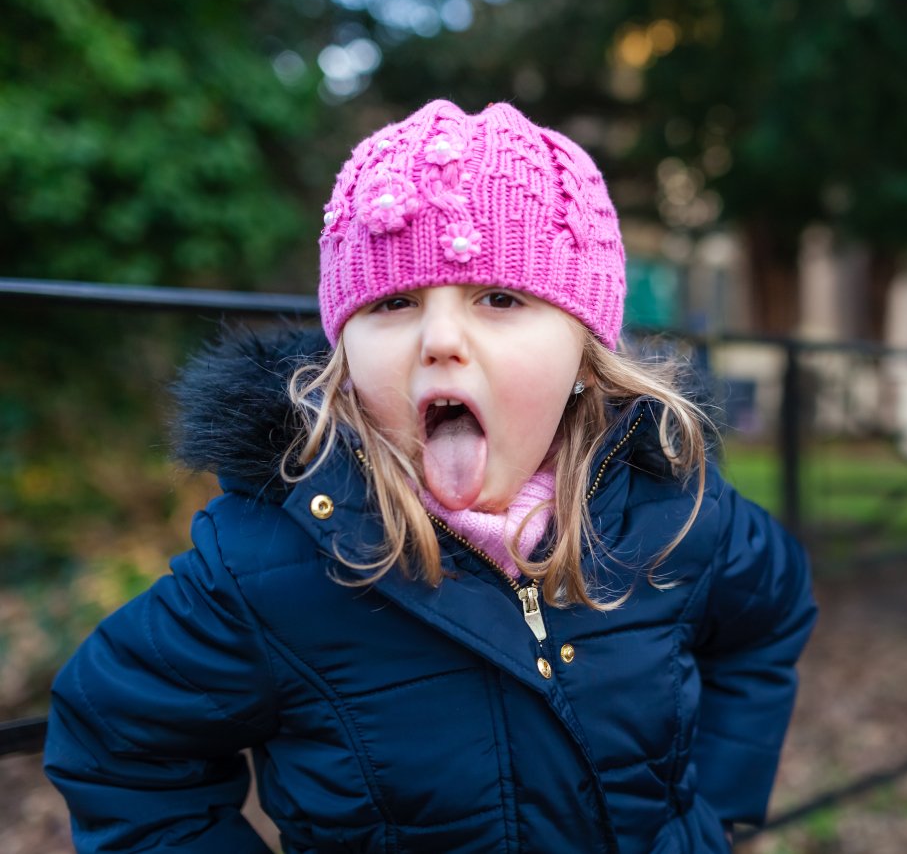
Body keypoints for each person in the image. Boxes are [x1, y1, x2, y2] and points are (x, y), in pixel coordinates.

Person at [43, 99, 817, 853]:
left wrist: (712, 816)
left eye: (502, 297)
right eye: (395, 303)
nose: (442, 337)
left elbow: (770, 611)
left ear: (586, 355)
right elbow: (117, 744)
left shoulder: (676, 507)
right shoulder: (265, 560)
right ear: (344, 355)